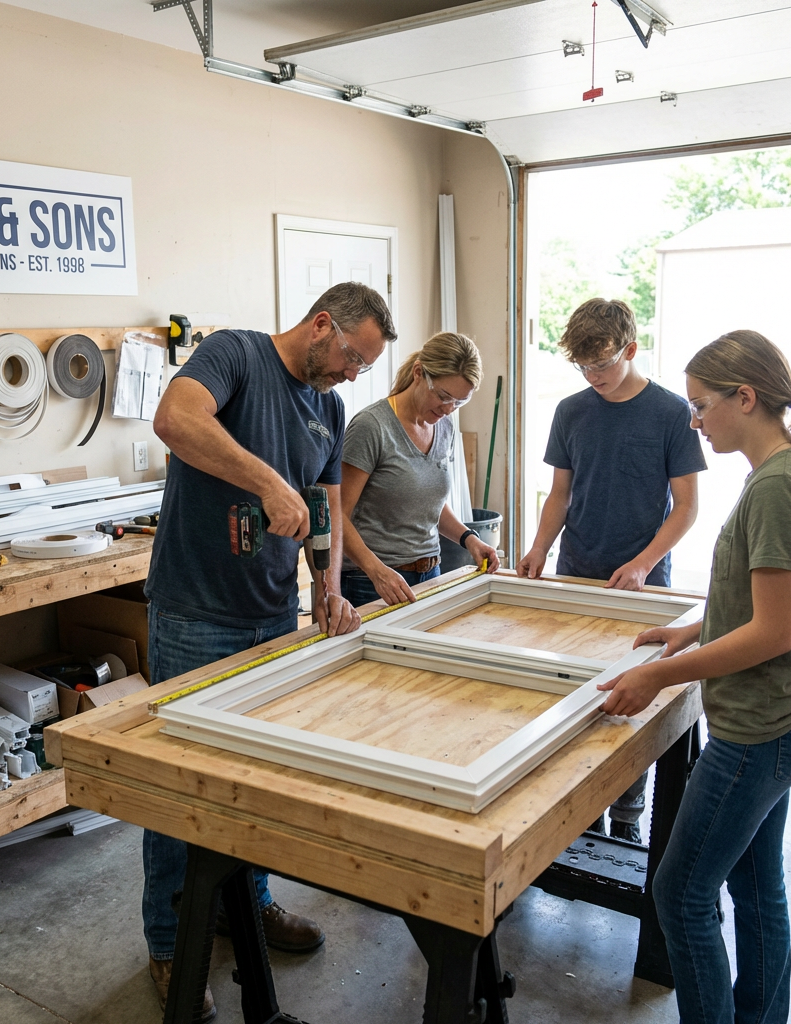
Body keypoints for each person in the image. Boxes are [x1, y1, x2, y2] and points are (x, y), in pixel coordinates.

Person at [143, 281, 396, 1018]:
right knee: (179, 787)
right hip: (196, 613)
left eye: (364, 368)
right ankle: (168, 944)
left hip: (269, 614)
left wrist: (329, 582)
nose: (352, 375)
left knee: (253, 778)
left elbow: (323, 505)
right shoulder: (236, 355)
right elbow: (175, 419)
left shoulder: (330, 405)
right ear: (322, 324)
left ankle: (245, 909)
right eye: (351, 356)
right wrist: (265, 481)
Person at [597, 330, 791, 1024]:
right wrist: (692, 630)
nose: (695, 421)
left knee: (680, 894)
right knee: (755, 885)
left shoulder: (778, 486)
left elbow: (772, 634)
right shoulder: (786, 470)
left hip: (758, 732)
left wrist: (662, 675)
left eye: (702, 405)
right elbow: (762, 602)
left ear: (746, 397)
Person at [516, 298, 706, 842]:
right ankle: (584, 810)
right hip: (577, 570)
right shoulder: (572, 410)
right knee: (580, 691)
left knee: (632, 697)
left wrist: (644, 563)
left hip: (643, 588)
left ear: (630, 349)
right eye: (583, 367)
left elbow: (687, 506)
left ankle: (628, 809)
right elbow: (559, 494)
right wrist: (538, 549)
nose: (593, 376)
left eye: (602, 364)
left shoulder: (671, 413)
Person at [339, 332, 498, 607]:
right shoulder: (372, 427)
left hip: (430, 573)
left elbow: (427, 504)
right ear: (418, 373)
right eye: (444, 396)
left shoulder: (444, 427)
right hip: (371, 581)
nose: (448, 409)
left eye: (459, 402)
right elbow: (337, 515)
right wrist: (377, 572)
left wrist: (469, 539)